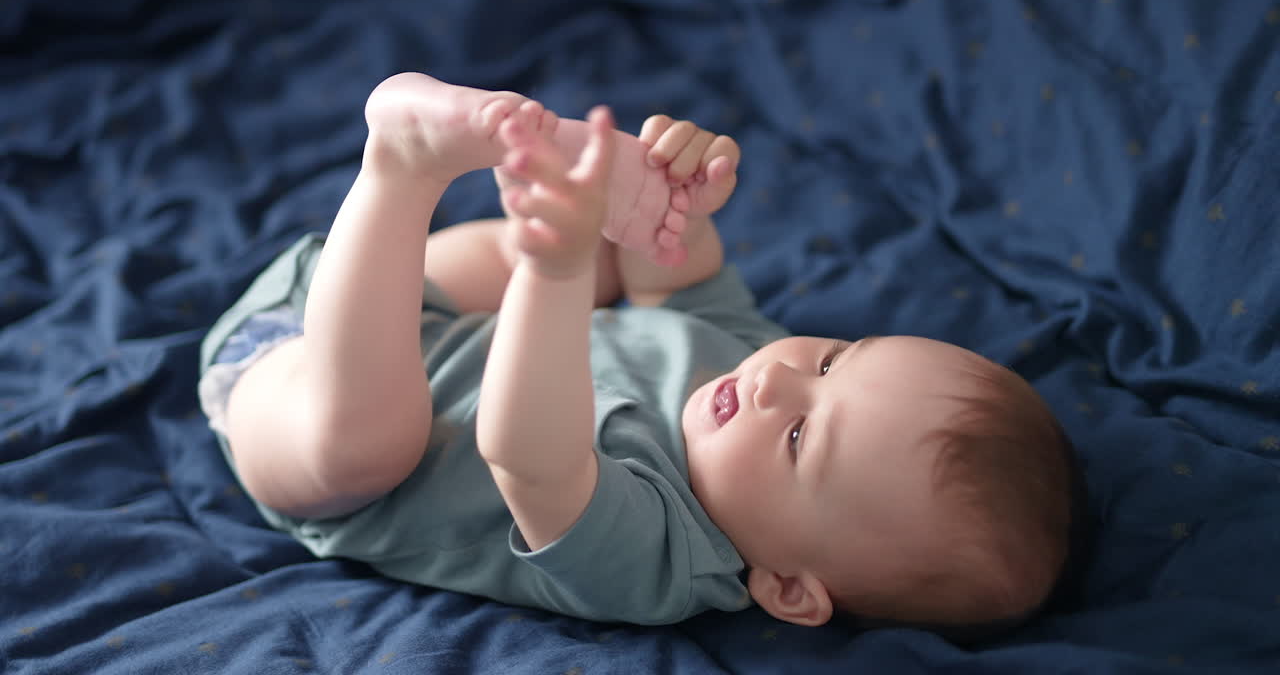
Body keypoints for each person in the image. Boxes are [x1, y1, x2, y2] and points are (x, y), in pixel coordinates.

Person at [197, 72, 1081, 630]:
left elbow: (527, 453)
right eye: (834, 361)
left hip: (287, 399)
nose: (775, 380)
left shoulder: (665, 561)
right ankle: (539, 181)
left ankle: (400, 170)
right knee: (622, 256)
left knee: (372, 443)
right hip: (380, 296)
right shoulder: (754, 357)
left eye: (803, 440)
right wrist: (673, 200)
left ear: (788, 589)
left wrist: (558, 268)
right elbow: (677, 280)